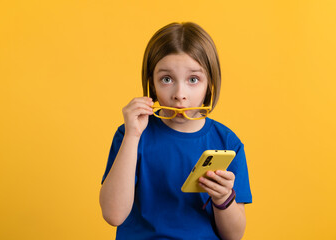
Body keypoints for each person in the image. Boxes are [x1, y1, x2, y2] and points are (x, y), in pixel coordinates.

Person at [99, 22, 252, 240]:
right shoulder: (131, 134)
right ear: (151, 82)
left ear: (210, 83)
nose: (180, 94)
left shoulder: (227, 142)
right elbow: (113, 215)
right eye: (167, 79)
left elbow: (234, 236)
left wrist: (223, 198)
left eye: (193, 79)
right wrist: (133, 136)